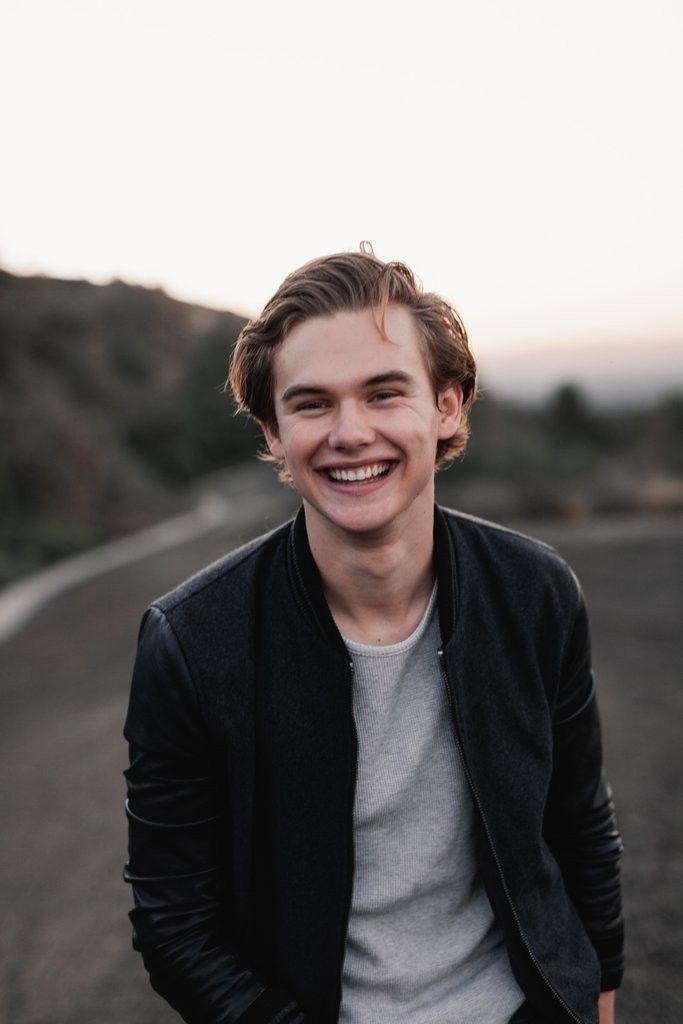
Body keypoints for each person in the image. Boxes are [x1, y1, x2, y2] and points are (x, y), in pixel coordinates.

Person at [123, 248, 624, 1024]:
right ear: (274, 432)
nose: (349, 433)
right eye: (312, 404)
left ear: (448, 406)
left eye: (384, 393)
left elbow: (579, 829)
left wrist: (595, 997)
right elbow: (172, 922)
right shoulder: (189, 644)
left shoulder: (535, 592)